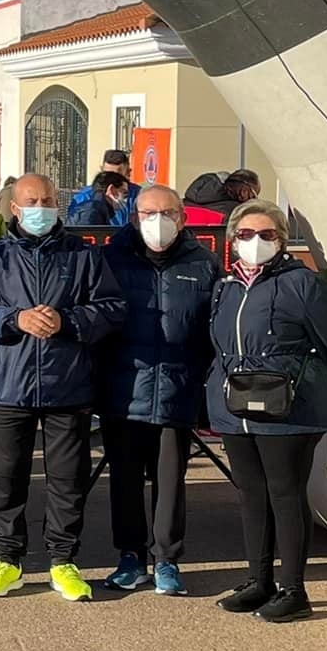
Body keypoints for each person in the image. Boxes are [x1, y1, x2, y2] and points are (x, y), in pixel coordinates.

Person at [0, 173, 123, 602]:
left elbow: (111, 309)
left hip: (68, 385)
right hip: (10, 385)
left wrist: (69, 322)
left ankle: (63, 560)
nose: (41, 207)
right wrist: (15, 320)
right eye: (32, 200)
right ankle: (7, 560)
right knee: (6, 478)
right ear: (14, 207)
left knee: (67, 480)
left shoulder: (84, 257)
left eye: (48, 199)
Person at [208, 199, 327, 623]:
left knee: (285, 494)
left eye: (266, 234)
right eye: (246, 234)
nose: (255, 242)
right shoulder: (225, 287)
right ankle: (258, 580)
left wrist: (310, 382)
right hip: (236, 406)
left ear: (282, 240)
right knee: (250, 493)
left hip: (289, 406)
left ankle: (294, 589)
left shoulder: (303, 284)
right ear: (232, 240)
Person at [98, 186, 218, 597]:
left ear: (182, 219)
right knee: (125, 480)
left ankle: (166, 559)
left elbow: (211, 330)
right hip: (123, 388)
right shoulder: (111, 258)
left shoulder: (203, 264)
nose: (158, 220)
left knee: (170, 481)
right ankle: (130, 557)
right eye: (149, 212)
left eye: (167, 212)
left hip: (177, 390)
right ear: (134, 217)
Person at [68, 150, 133, 225]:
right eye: (106, 174)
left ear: (128, 172)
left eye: (117, 176)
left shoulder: (139, 196)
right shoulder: (83, 198)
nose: (110, 180)